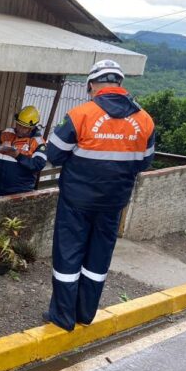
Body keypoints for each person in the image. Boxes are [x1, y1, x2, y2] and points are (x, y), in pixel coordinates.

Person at [44, 59, 155, 331]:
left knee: (68, 255)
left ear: (92, 85)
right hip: (113, 203)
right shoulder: (144, 120)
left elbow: (53, 154)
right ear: (120, 83)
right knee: (98, 258)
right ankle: (85, 313)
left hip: (76, 202)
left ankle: (63, 316)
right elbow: (144, 162)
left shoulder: (80, 115)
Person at [0, 105, 48, 197]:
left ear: (32, 127)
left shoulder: (38, 142)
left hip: (21, 192)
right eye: (18, 125)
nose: (20, 129)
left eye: (24, 127)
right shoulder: (7, 132)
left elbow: (38, 164)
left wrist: (18, 156)